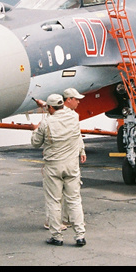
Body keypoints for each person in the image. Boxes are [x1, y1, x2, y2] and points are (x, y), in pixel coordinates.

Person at [31, 94, 87, 247]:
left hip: (54, 167)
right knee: (74, 200)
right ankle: (80, 236)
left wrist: (35, 130)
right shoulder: (74, 117)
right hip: (72, 166)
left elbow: (35, 143)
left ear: (50, 108)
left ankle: (57, 236)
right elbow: (61, 111)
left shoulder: (46, 123)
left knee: (54, 201)